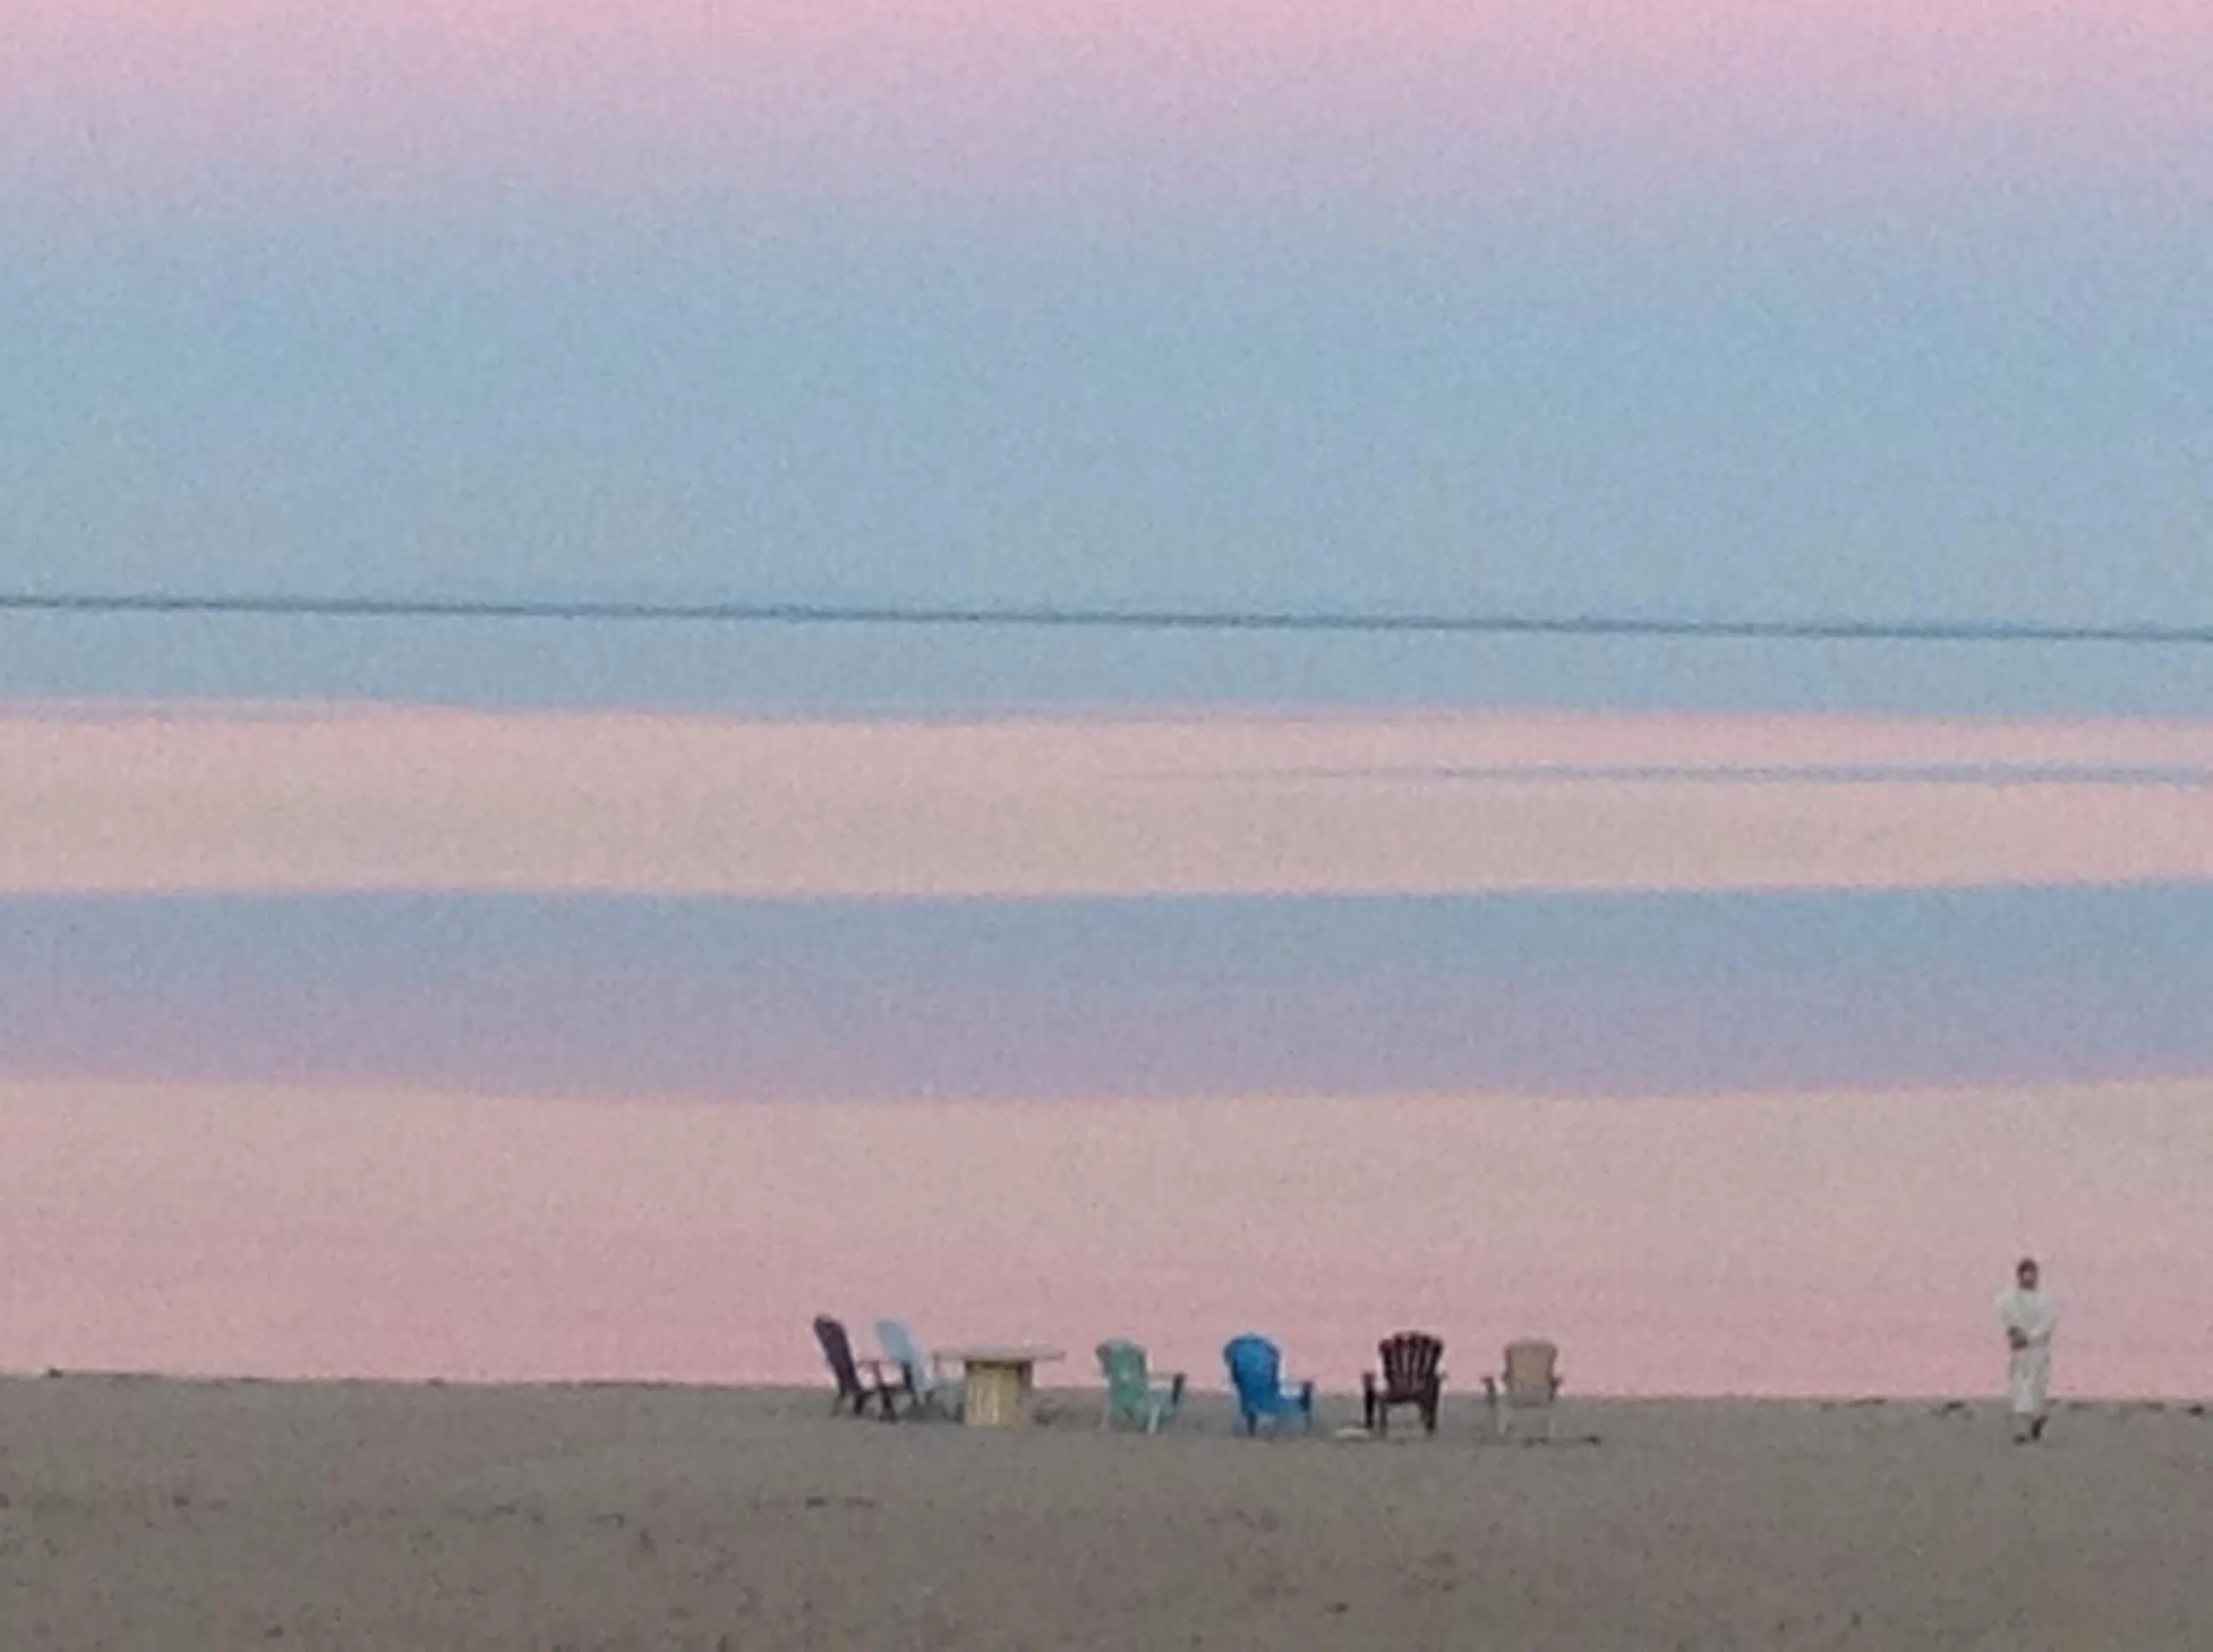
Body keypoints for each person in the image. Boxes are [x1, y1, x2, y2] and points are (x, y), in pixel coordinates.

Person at [1995, 1257, 2058, 1443]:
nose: (2029, 1278)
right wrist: (2013, 1331)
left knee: (2037, 1387)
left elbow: (2049, 1321)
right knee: (2020, 1387)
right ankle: (2022, 1429)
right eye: (2026, 1275)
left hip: (2038, 1349)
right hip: (2019, 1350)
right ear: (2019, 1276)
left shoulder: (2045, 1299)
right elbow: (2003, 1311)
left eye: (2032, 1275)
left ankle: (2037, 1421)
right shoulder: (2009, 1298)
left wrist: (2030, 1337)